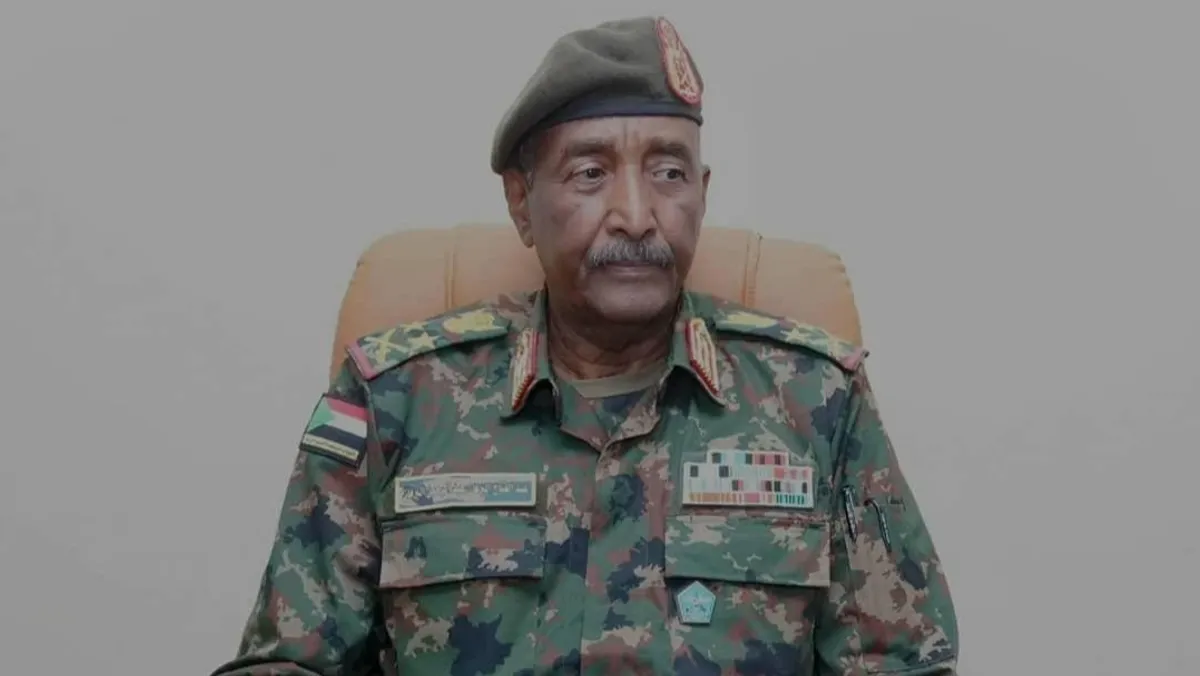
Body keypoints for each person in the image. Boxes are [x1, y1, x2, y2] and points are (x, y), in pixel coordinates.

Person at [210, 15, 959, 676]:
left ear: (703, 191)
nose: (636, 214)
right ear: (521, 202)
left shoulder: (816, 399)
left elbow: (898, 664)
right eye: (591, 173)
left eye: (669, 173)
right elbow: (290, 659)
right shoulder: (394, 398)